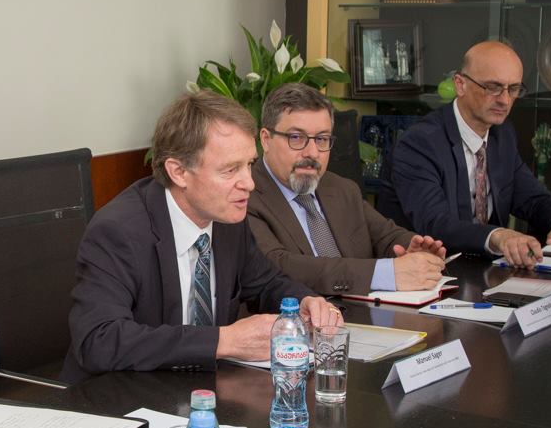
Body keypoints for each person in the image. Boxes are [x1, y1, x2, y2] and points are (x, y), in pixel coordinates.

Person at [63, 90, 343, 382]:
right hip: (117, 396)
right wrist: (224, 341)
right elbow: (98, 340)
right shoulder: (118, 231)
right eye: (230, 170)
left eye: (249, 165)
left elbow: (266, 284)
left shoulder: (227, 218)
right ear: (179, 172)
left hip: (200, 392)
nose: (248, 183)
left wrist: (305, 301)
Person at [378, 41, 551, 266]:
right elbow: (435, 224)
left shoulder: (502, 133)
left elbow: (532, 198)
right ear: (460, 85)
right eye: (492, 87)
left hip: (483, 270)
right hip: (427, 271)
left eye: (513, 89)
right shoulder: (420, 143)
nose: (505, 100)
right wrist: (498, 236)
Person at [248, 83, 446, 296]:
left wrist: (414, 251)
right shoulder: (245, 195)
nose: (312, 152)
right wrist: (384, 273)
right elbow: (277, 266)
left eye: (322, 139)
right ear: (266, 140)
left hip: (366, 310)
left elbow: (387, 236)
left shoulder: (343, 188)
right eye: (296, 137)